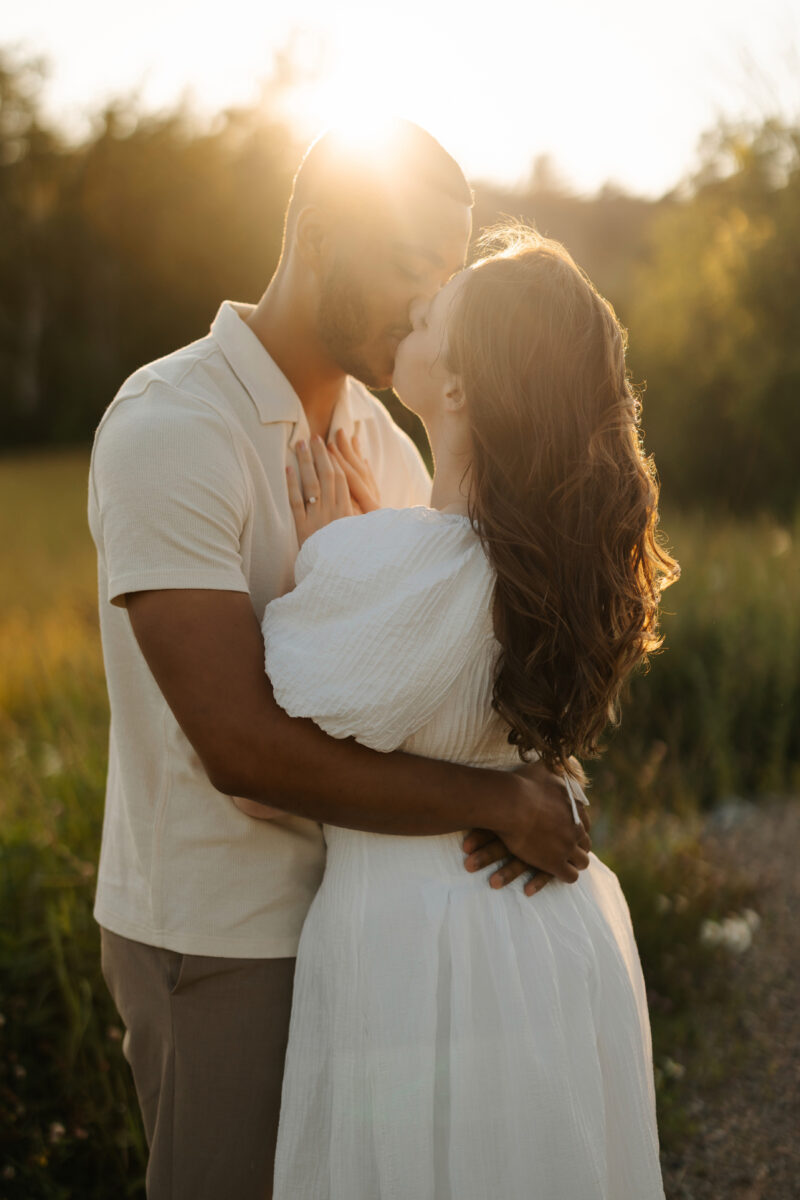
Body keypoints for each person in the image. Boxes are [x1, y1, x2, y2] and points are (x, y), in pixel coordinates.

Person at [89, 122, 591, 1200]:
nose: (429, 300)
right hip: (227, 938)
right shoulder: (175, 426)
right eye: (411, 264)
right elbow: (240, 747)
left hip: (381, 926)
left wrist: (519, 784)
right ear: (318, 237)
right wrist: (497, 801)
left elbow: (437, 673)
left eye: (449, 272)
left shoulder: (386, 435)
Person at [253, 227, 679, 1198]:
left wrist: (329, 558)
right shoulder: (561, 565)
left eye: (437, 309)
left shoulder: (382, 564)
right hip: (548, 937)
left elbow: (275, 733)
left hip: (415, 954)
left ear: (458, 387)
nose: (421, 299)